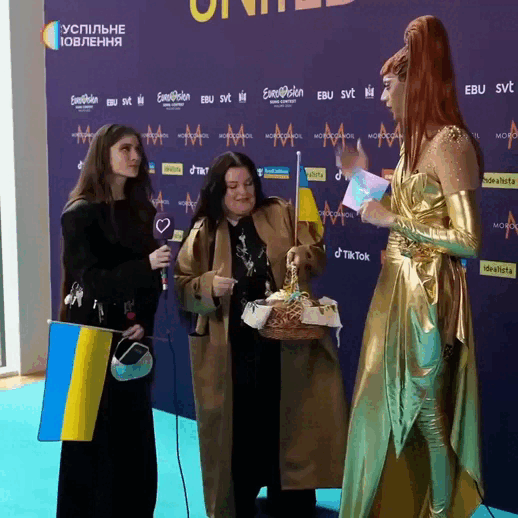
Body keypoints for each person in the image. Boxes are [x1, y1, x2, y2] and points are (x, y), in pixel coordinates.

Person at [336, 15, 483, 518]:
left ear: (413, 83)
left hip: (428, 295)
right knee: (381, 405)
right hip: (396, 289)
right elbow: (402, 207)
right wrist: (358, 180)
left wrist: (393, 220)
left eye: (388, 86)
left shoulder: (450, 143)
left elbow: (468, 240)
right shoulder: (413, 145)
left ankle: (439, 513)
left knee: (427, 415)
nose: (382, 97)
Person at [174, 151, 348, 518]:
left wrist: (305, 255)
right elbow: (182, 285)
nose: (243, 192)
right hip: (233, 352)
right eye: (233, 186)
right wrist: (208, 286)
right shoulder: (205, 231)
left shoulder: (280, 212)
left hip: (284, 346)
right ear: (218, 190)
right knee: (240, 435)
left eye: (249, 183)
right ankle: (240, 501)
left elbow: (317, 253)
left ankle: (292, 503)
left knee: (289, 428)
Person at [56, 124, 171, 517]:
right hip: (87, 343)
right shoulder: (80, 213)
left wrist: (144, 321)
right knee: (88, 445)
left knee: (132, 442)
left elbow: (154, 283)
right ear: (103, 154)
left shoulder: (144, 211)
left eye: (138, 148)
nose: (135, 156)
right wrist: (145, 265)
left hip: (131, 343)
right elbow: (90, 281)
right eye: (125, 149)